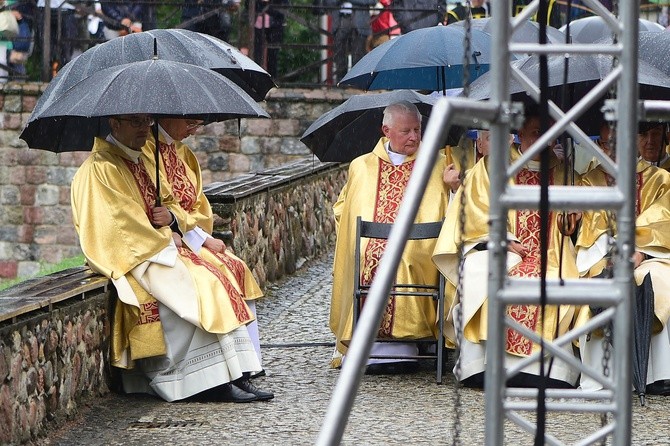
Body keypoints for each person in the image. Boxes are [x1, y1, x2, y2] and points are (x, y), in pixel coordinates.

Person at [70, 114, 273, 403]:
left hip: (156, 249)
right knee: (202, 285)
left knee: (215, 275)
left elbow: (168, 202)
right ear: (115, 124)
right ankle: (205, 381)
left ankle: (236, 372)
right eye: (136, 123)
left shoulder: (138, 159)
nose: (145, 129)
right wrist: (166, 238)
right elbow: (116, 224)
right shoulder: (99, 169)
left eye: (147, 122)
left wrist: (173, 223)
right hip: (135, 257)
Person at [432, 110, 582, 388]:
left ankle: (547, 372)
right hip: (500, 248)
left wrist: (570, 220)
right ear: (519, 134)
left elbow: (568, 224)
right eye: (538, 132)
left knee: (558, 281)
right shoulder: (492, 166)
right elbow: (472, 210)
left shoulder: (562, 171)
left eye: (551, 132)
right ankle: (483, 366)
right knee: (486, 274)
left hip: (552, 251)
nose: (546, 138)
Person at [329, 101, 451, 374]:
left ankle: (407, 344)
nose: (414, 137)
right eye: (406, 131)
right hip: (370, 242)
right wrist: (354, 234)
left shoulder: (439, 162)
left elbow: (453, 207)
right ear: (386, 130)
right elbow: (343, 208)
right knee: (364, 254)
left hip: (419, 245)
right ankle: (366, 347)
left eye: (418, 130)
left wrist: (454, 185)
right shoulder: (362, 166)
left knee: (402, 256)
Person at [141, 117, 268, 374]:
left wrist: (201, 237)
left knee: (236, 266)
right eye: (189, 123)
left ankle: (249, 359)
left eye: (198, 125)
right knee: (215, 278)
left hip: (189, 237)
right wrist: (175, 225)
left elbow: (198, 206)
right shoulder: (146, 151)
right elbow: (162, 206)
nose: (194, 131)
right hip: (166, 242)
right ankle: (220, 369)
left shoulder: (184, 154)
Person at [576, 121, 670, 395]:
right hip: (603, 256)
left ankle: (657, 373)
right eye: (607, 144)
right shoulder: (588, 181)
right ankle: (609, 376)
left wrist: (639, 252)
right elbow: (589, 231)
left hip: (649, 255)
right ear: (600, 146)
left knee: (653, 279)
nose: (613, 150)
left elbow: (663, 223)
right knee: (603, 282)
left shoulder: (659, 179)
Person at [323, 0, 376, 83]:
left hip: (359, 23)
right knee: (339, 54)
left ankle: (357, 82)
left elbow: (372, 1)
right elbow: (328, 3)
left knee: (358, 54)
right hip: (340, 21)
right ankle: (341, 82)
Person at [36, 0, 80, 71]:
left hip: (67, 9)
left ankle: (64, 72)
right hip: (44, 8)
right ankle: (50, 71)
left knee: (67, 47)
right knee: (46, 46)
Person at [250, 0, 287, 78]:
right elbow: (249, 5)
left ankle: (272, 77)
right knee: (257, 51)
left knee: (273, 52)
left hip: (276, 21)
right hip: (259, 20)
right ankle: (257, 76)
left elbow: (284, 6)